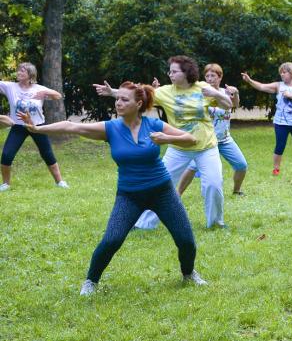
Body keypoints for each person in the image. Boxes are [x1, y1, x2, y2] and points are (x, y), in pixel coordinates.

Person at [18, 82, 206, 295]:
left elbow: (190, 139)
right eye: (117, 98)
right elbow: (72, 126)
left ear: (138, 103)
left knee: (186, 240)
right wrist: (37, 129)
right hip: (129, 195)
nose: (118, 103)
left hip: (162, 191)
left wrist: (167, 138)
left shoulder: (153, 125)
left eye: (124, 99)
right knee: (112, 239)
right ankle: (91, 281)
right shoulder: (110, 128)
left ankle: (188, 274)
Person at [95, 55, 233, 229]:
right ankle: (143, 224)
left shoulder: (203, 87)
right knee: (157, 184)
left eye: (174, 71)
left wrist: (215, 93)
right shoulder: (165, 91)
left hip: (206, 147)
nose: (170, 74)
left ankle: (215, 223)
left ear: (186, 72)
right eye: (170, 71)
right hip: (179, 147)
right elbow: (139, 95)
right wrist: (112, 92)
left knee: (213, 184)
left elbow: (228, 105)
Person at [177, 63, 248, 196]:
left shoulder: (223, 92)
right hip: (206, 140)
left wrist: (236, 92)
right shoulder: (201, 93)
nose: (209, 78)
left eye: (213, 75)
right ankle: (177, 195)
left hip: (225, 139)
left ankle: (237, 190)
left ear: (220, 77)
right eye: (207, 76)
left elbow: (234, 105)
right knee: (192, 167)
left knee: (242, 165)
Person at [0, 62, 69, 192]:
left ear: (30, 75)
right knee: (7, 154)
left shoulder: (38, 88)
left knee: (47, 154)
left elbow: (58, 95)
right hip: (18, 127)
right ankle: (5, 184)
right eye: (18, 70)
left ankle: (60, 182)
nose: (19, 73)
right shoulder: (10, 87)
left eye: (22, 71)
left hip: (37, 126)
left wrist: (44, 94)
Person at [242, 63, 292, 176]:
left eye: (284, 72)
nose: (282, 74)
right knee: (280, 146)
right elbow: (261, 86)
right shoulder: (278, 86)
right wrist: (249, 81)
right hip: (281, 123)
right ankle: (276, 169)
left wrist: (290, 95)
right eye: (281, 72)